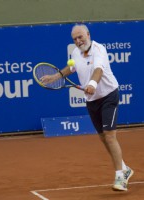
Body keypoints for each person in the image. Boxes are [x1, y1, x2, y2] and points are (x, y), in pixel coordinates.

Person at [41, 24, 134, 191]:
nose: (78, 41)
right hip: (92, 100)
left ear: (88, 34)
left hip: (108, 96)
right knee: (103, 138)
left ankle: (120, 177)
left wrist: (91, 83)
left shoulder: (99, 50)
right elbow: (72, 67)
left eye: (80, 37)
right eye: (75, 39)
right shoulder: (76, 52)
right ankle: (125, 168)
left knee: (110, 136)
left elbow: (98, 69)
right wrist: (55, 76)